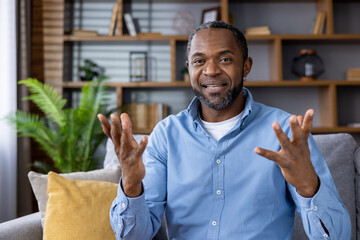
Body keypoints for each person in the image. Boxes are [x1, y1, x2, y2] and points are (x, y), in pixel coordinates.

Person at [97, 21, 351, 239]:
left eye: (225, 59)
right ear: (189, 68)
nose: (211, 70)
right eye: (199, 61)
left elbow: (339, 236)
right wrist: (131, 185)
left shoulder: (285, 134)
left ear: (246, 66)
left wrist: (309, 187)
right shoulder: (166, 135)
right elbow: (134, 235)